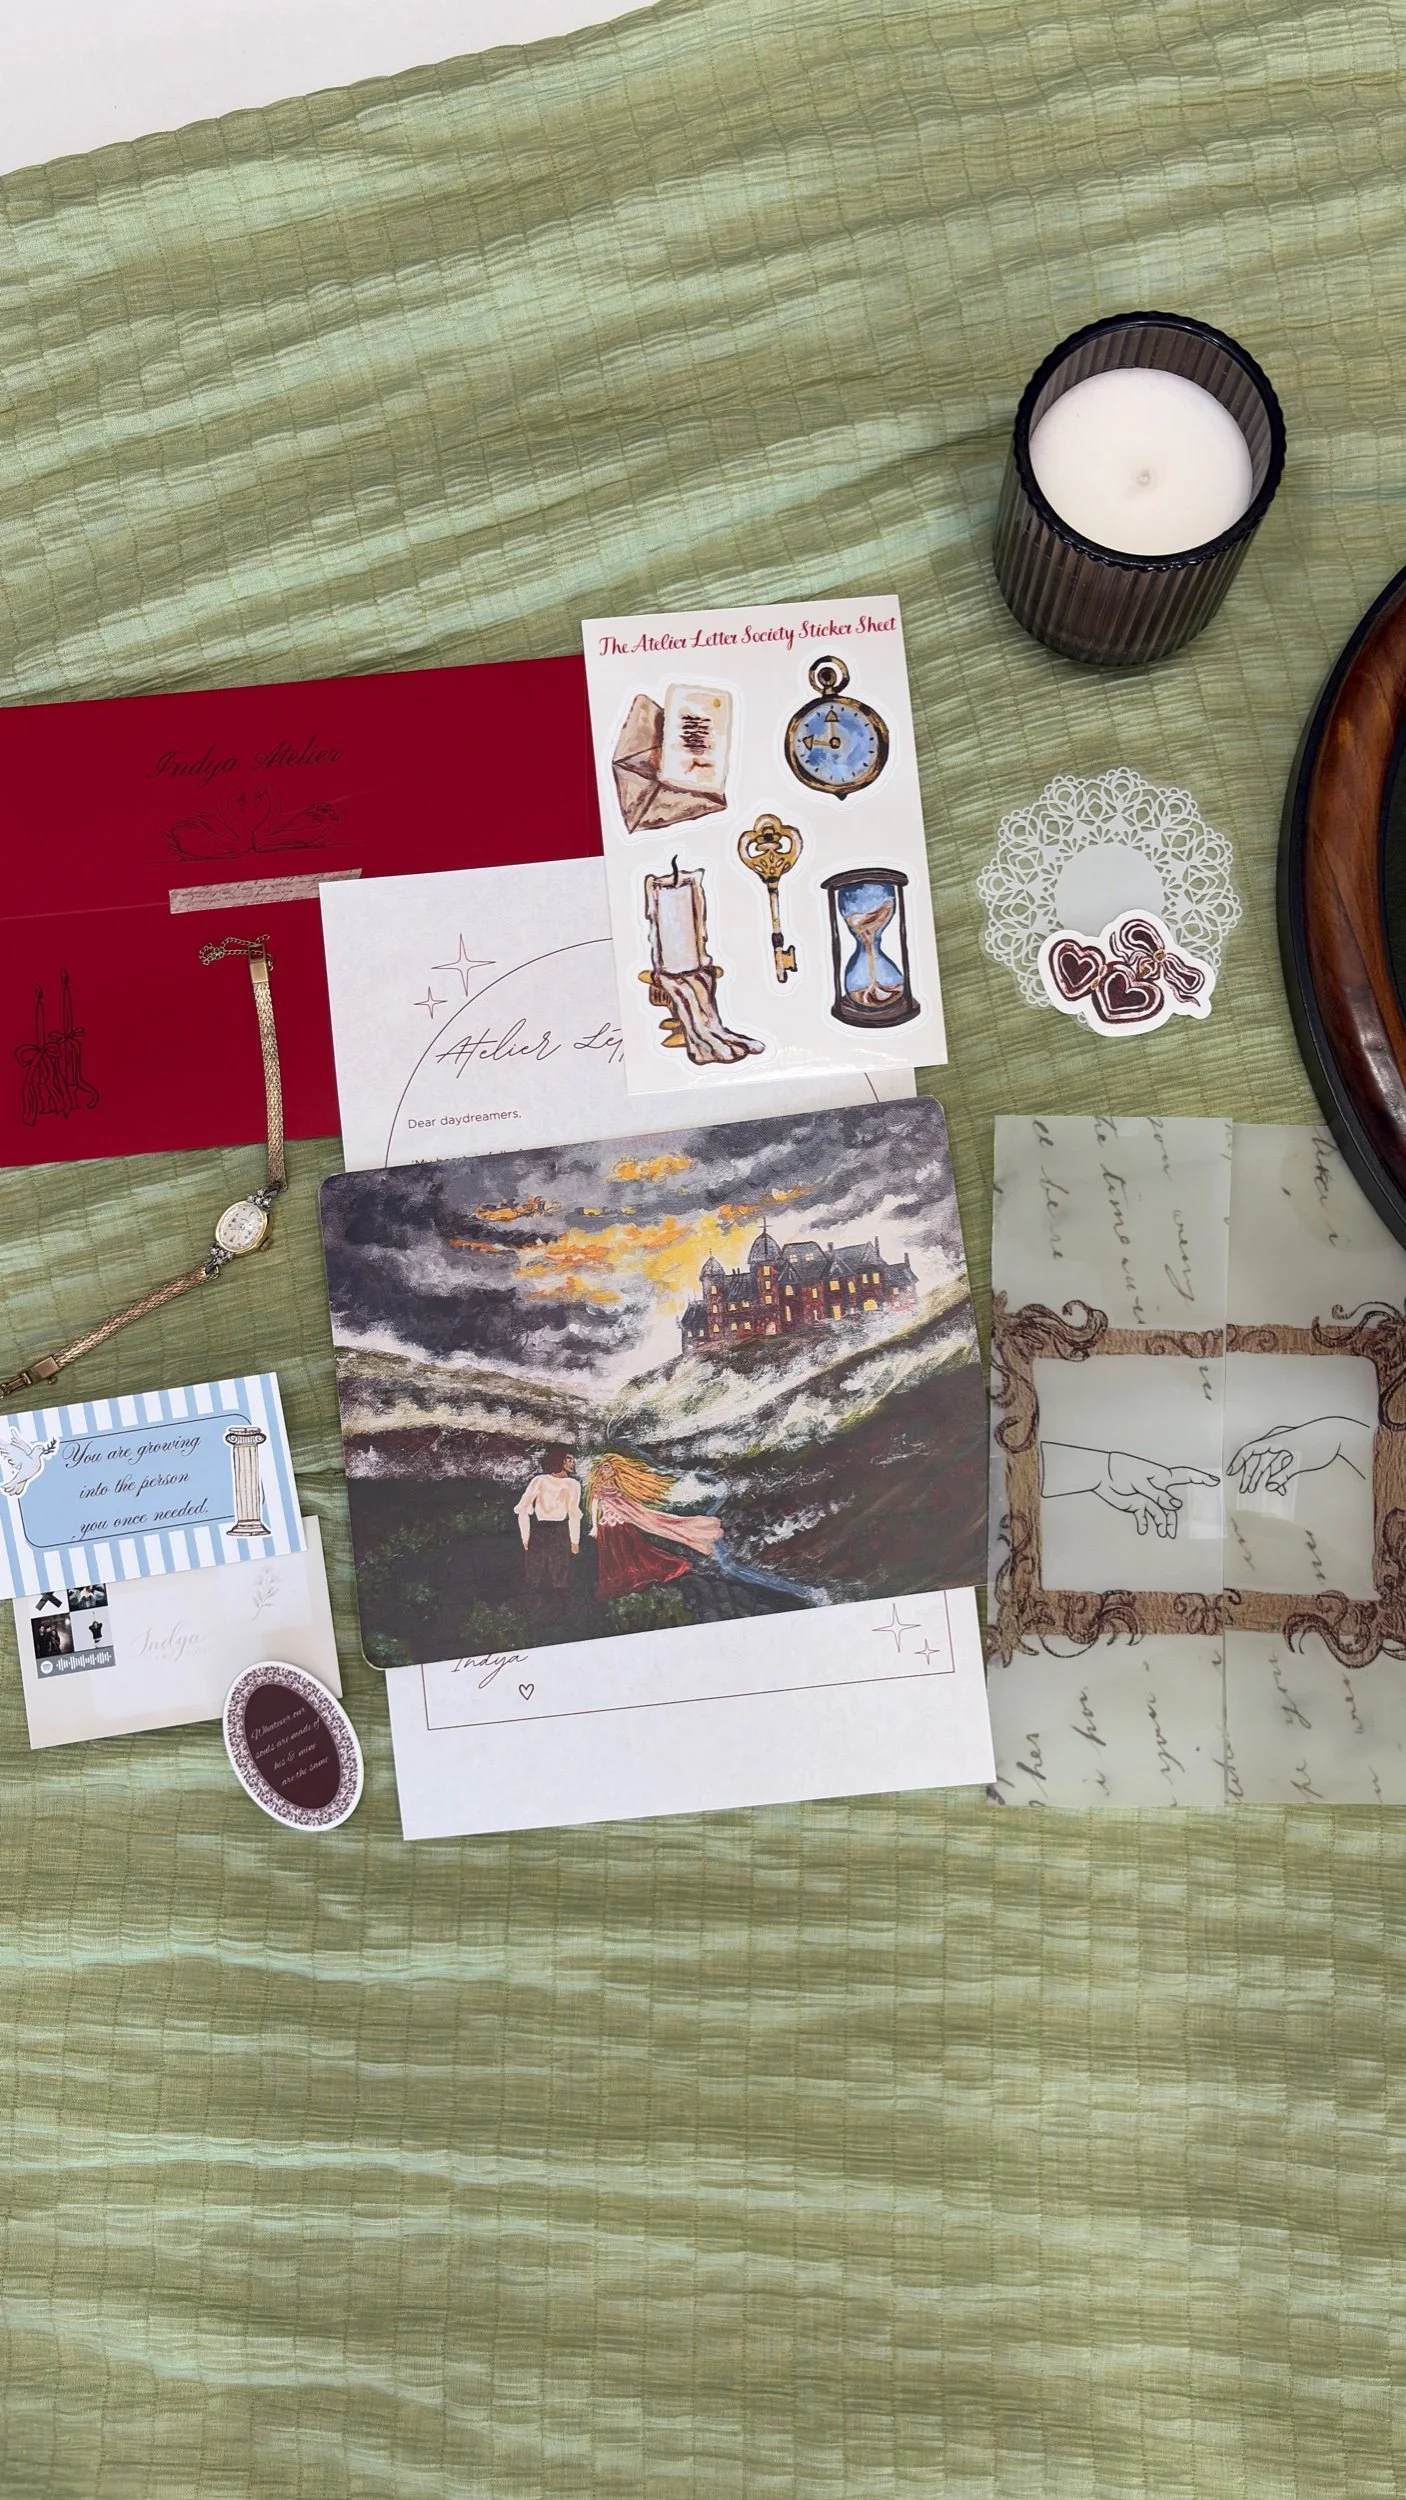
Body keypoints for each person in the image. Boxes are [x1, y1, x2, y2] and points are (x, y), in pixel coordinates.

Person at [584, 1453, 723, 1600]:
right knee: (612, 1556)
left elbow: (629, 1506)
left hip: (621, 1523)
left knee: (633, 1550)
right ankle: (621, 1580)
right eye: (604, 1468)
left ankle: (639, 1574)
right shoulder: (598, 1488)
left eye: (609, 1467)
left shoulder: (619, 1487)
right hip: (607, 1525)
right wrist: (595, 1527)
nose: (607, 1470)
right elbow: (594, 1506)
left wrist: (633, 1515)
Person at [513, 1446, 582, 1636]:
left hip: (560, 1531)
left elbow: (574, 1514)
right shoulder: (540, 1480)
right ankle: (532, 1621)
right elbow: (523, 1509)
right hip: (540, 1531)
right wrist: (525, 1536)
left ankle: (560, 1621)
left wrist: (575, 1541)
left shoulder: (573, 1484)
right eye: (569, 1459)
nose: (572, 1462)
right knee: (534, 1574)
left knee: (560, 1576)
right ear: (559, 1460)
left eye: (573, 1459)